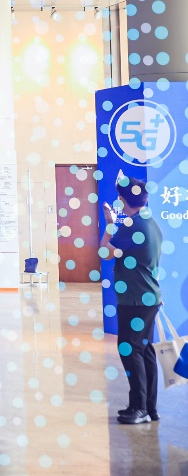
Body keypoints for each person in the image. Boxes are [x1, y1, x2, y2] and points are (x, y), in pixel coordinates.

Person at [103, 178, 164, 425]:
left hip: (135, 299)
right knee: (144, 350)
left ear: (122, 200)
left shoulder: (132, 225)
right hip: (147, 296)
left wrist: (109, 224)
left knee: (130, 349)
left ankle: (139, 408)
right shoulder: (149, 222)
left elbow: (105, 251)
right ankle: (148, 408)